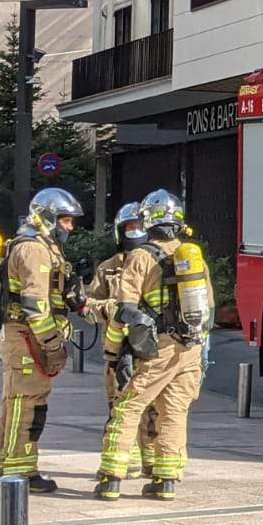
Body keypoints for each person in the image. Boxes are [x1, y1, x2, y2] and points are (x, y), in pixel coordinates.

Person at [95, 190, 214, 502]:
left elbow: (124, 311)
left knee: (128, 406)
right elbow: (209, 307)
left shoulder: (140, 257)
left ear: (148, 221)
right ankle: (166, 481)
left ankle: (111, 479)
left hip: (157, 347)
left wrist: (112, 351)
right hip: (189, 347)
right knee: (173, 412)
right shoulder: (191, 255)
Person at [0, 188, 82, 493]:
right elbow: (36, 306)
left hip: (23, 336)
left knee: (17, 400)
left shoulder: (39, 245)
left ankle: (11, 463)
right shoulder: (34, 249)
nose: (70, 227)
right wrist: (53, 344)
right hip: (27, 337)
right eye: (66, 220)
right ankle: (21, 472)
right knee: (27, 404)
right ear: (47, 217)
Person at [84, 202, 158, 479]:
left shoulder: (157, 263)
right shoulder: (107, 269)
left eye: (139, 226)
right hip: (116, 350)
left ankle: (152, 461)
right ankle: (127, 462)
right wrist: (113, 310)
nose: (135, 231)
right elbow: (89, 308)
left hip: (149, 347)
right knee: (119, 406)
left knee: (152, 407)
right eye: (130, 227)